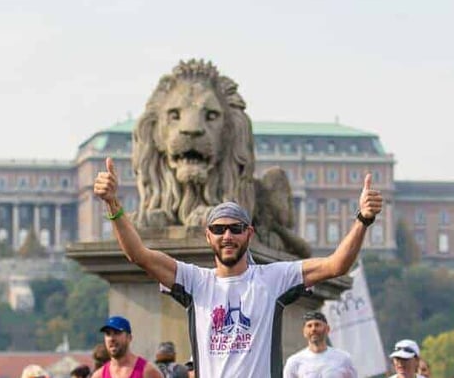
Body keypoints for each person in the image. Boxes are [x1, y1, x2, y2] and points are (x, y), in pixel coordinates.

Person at [92, 158, 383, 378]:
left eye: (236, 228)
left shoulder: (273, 278)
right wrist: (113, 205)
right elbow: (138, 255)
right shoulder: (195, 281)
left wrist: (363, 219)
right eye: (219, 229)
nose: (227, 236)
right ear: (208, 236)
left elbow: (336, 264)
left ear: (249, 233)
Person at [283, 311, 357, 378]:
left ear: (327, 329)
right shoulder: (294, 361)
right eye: (309, 326)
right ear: (304, 332)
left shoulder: (344, 359)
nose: (313, 329)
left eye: (317, 325)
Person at [91, 316, 164, 378]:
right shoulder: (99, 376)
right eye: (108, 334)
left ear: (129, 338)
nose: (112, 338)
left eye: (117, 333)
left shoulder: (148, 372)